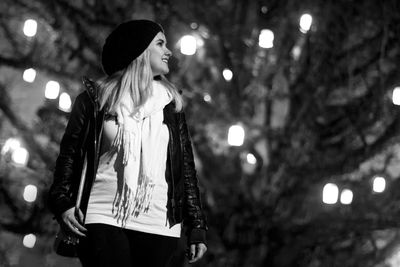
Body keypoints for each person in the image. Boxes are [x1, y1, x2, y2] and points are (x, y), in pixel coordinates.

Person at [48, 19, 208, 267]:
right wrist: (63, 204)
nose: (169, 52)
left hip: (159, 223)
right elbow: (69, 156)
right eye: (160, 44)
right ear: (139, 50)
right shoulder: (95, 99)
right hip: (102, 215)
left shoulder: (170, 104)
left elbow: (185, 168)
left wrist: (196, 225)